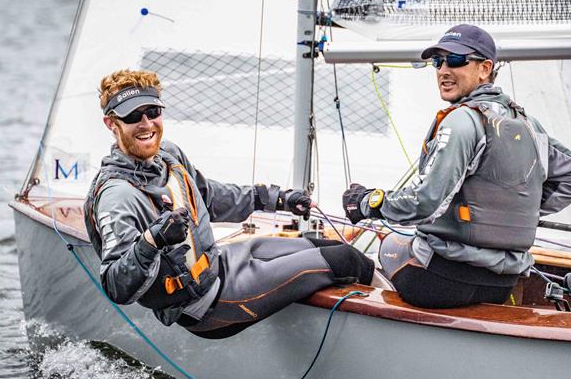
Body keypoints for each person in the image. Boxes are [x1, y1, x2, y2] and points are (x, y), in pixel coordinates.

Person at [84, 69, 373, 338]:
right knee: (346, 261)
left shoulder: (168, 155)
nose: (147, 124)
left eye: (153, 112)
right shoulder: (117, 196)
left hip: (223, 262)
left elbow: (209, 197)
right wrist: (152, 240)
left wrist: (276, 198)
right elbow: (116, 284)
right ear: (111, 123)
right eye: (134, 116)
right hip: (208, 303)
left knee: (338, 249)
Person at [342, 24, 571, 308]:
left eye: (457, 60)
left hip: (439, 280)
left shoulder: (462, 120)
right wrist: (515, 208)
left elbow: (424, 202)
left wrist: (368, 203)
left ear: (485, 68)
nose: (443, 70)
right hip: (500, 285)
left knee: (381, 248)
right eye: (438, 61)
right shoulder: (528, 125)